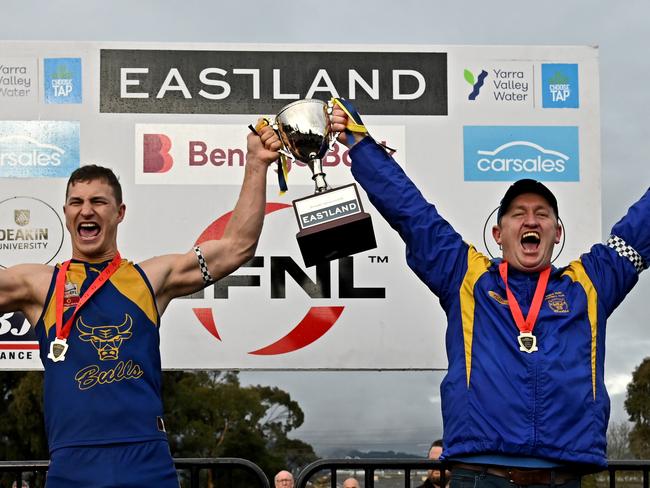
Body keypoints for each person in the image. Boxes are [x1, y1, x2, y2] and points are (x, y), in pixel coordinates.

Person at [318, 102, 650, 487]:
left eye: (542, 213)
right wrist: (360, 145)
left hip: (563, 478)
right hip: (480, 475)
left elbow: (642, 226)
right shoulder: (466, 276)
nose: (530, 220)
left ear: (557, 232)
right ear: (498, 233)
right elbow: (411, 212)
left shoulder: (590, 285)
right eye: (518, 213)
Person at [0, 125, 281, 487]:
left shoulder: (150, 279)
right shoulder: (39, 285)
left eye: (98, 202)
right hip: (73, 462)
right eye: (77, 202)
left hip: (145, 459)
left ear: (119, 212)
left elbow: (236, 247)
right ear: (66, 214)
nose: (87, 210)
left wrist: (256, 162)